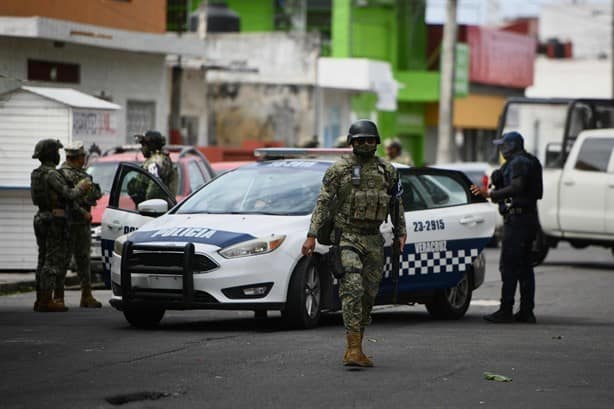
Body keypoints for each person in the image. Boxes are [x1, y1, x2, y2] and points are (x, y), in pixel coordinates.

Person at [301, 119, 407, 367]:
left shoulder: (388, 170)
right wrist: (311, 234)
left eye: (370, 139)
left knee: (369, 295)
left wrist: (401, 230)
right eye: (360, 140)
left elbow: (396, 203)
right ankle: (352, 349)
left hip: (374, 238)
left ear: (377, 142)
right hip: (347, 236)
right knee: (353, 287)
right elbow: (323, 202)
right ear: (351, 142)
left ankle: (358, 345)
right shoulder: (339, 170)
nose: (365, 144)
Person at [470, 131, 543, 324]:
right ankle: (527, 311)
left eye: (504, 145)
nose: (501, 149)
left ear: (511, 145)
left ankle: (506, 310)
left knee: (510, 267)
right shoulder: (529, 161)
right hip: (528, 218)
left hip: (518, 221)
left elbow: (517, 187)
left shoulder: (519, 163)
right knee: (525, 267)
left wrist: (490, 194)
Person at [30, 139, 91, 312]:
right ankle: (46, 300)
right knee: (51, 260)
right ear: (51, 154)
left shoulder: (36, 173)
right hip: (52, 220)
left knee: (42, 260)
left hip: (40, 217)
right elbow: (69, 194)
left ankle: (40, 298)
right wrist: (82, 187)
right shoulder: (52, 174)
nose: (59, 155)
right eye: (56, 152)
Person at [58, 142, 103, 308]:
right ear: (77, 158)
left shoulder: (76, 174)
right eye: (83, 156)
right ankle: (60, 296)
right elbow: (68, 199)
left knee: (81, 259)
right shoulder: (65, 175)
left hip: (78, 222)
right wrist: (83, 209)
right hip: (72, 221)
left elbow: (94, 194)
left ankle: (84, 295)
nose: (84, 159)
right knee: (68, 259)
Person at [129, 130, 177, 204]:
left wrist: (147, 205)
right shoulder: (159, 159)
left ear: (151, 146)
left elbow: (154, 190)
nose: (141, 148)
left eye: (143, 145)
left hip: (152, 210)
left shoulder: (155, 162)